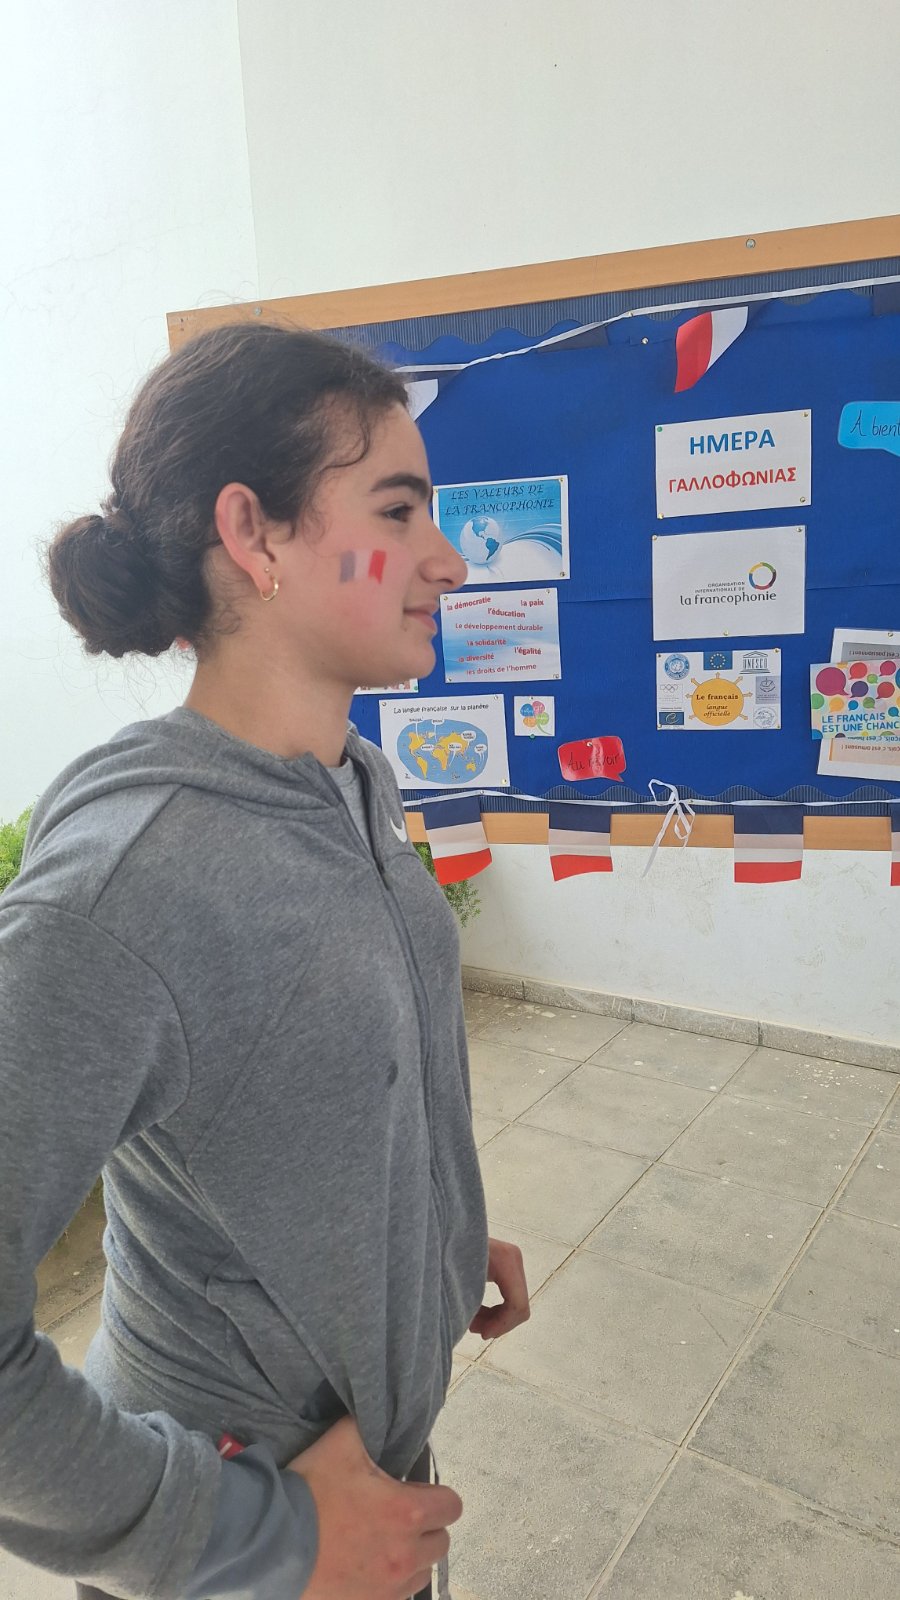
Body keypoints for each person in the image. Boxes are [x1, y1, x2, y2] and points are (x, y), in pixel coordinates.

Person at [0, 324, 530, 1600]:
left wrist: (427, 1231)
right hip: (255, 1537)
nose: (449, 559)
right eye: (397, 511)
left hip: (374, 1477)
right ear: (254, 534)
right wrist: (259, 1534)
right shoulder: (129, 881)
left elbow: (307, 1069)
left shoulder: (354, 781)